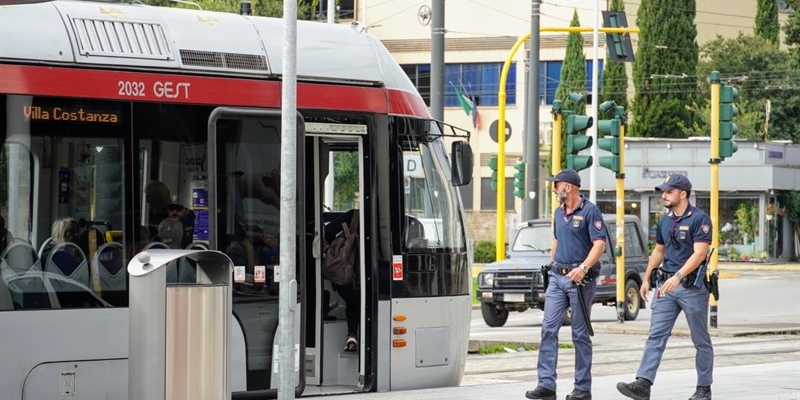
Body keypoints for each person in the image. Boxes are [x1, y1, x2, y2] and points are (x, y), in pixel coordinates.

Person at [617, 174, 713, 400]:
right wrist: (647, 277)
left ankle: (704, 388)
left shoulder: (700, 219)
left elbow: (700, 253)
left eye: (669, 191)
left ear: (683, 194)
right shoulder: (665, 220)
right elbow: (659, 250)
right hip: (666, 285)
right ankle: (643, 383)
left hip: (692, 287)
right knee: (656, 336)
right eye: (664, 191)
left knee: (700, 339)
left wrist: (679, 276)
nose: (664, 195)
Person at [526, 169, 606, 400]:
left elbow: (599, 245)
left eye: (556, 185)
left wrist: (583, 268)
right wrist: (552, 265)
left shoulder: (591, 212)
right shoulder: (558, 213)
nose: (553, 188)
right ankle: (546, 385)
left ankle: (582, 388)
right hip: (557, 278)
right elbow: (557, 239)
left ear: (568, 187)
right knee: (548, 329)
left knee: (579, 333)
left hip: (580, 280)